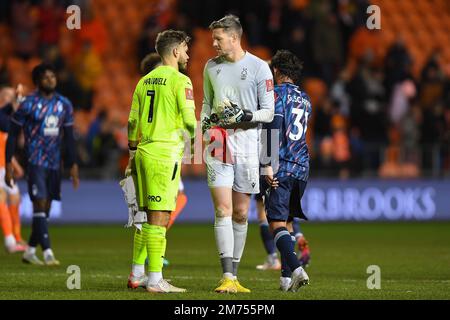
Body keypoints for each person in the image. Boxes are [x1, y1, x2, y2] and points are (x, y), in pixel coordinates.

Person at [201, 14, 274, 293]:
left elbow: (268, 112)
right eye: (213, 39)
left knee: (242, 214)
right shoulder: (211, 67)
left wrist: (246, 114)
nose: (214, 43)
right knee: (223, 209)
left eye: (218, 38)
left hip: (248, 142)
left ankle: (235, 274)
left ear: (234, 37)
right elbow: (208, 104)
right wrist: (205, 123)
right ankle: (227, 277)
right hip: (219, 141)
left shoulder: (258, 68)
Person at [126, 30, 196, 293]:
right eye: (186, 49)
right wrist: (205, 132)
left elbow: (133, 122)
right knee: (160, 218)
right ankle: (155, 280)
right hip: (164, 155)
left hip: (143, 152)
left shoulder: (143, 82)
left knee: (147, 217)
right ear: (176, 51)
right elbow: (190, 122)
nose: (188, 54)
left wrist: (132, 155)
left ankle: (138, 274)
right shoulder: (181, 81)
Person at [5, 63, 79, 266]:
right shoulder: (28, 104)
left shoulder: (64, 104)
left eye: (53, 76)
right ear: (37, 81)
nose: (51, 80)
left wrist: (73, 163)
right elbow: (12, 134)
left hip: (55, 163)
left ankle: (29, 251)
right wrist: (9, 163)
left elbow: (69, 137)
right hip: (35, 160)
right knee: (40, 202)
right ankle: (47, 252)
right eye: (46, 77)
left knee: (45, 207)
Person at [261, 50, 311, 292]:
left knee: (276, 223)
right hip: (302, 167)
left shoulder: (276, 95)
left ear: (276, 71)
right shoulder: (306, 98)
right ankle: (284, 281)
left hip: (281, 165)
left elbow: (273, 128)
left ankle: (298, 269)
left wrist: (267, 164)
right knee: (288, 222)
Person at [0, 86, 26, 253]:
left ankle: (16, 237)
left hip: (4, 166)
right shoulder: (2, 117)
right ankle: (10, 240)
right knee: (1, 198)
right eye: (9, 96)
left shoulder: (6, 119)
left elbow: (5, 147)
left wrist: (15, 166)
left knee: (15, 199)